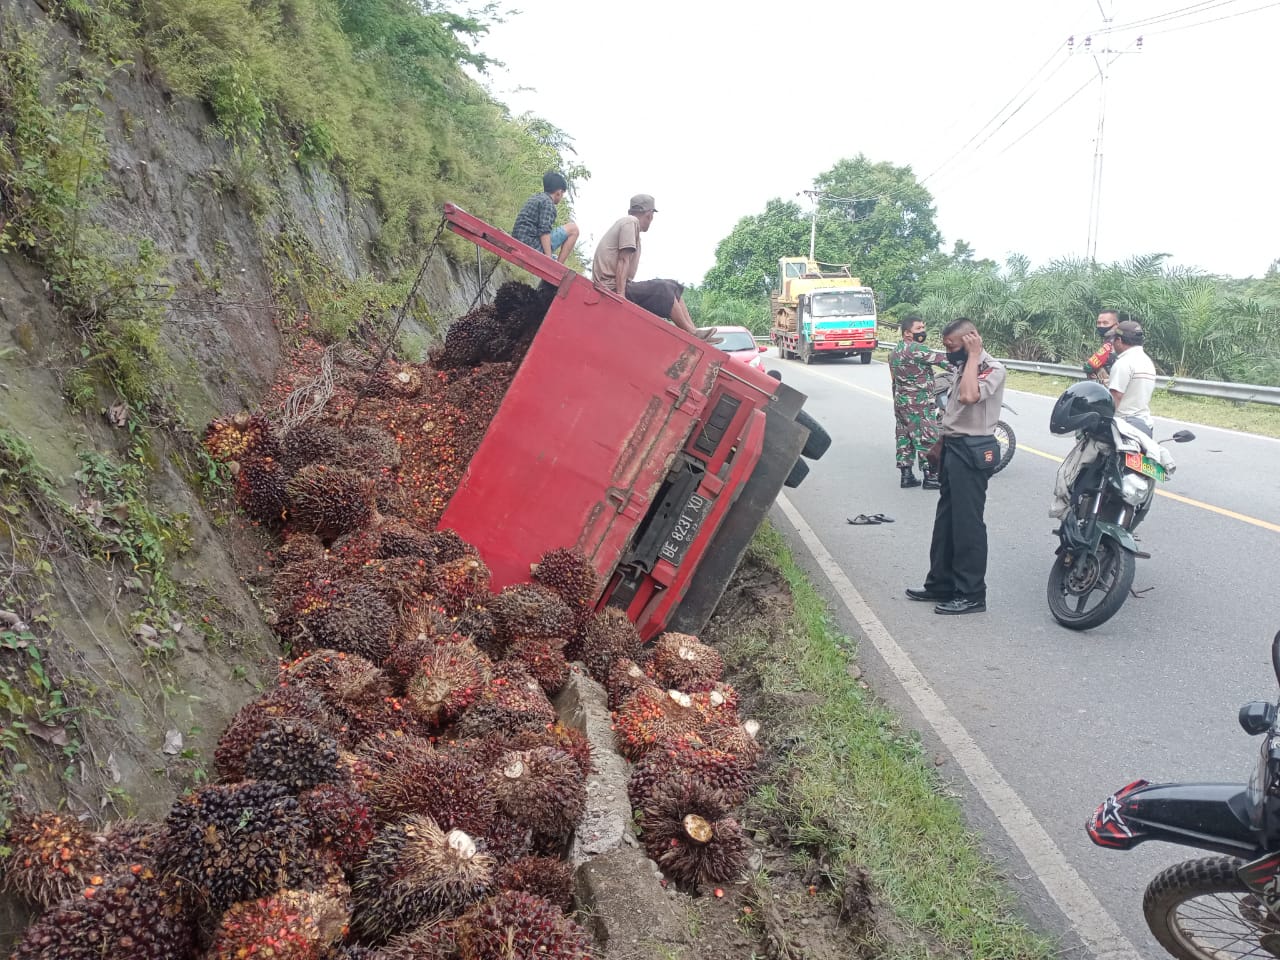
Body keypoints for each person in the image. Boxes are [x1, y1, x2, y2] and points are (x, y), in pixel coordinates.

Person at [906, 318, 1006, 616]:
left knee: (967, 524)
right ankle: (941, 583)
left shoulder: (990, 367)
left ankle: (972, 593)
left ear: (971, 340)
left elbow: (968, 397)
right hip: (953, 445)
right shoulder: (963, 367)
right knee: (946, 521)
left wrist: (974, 356)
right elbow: (953, 411)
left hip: (974, 448)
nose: (947, 351)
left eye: (952, 346)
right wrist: (939, 443)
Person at [592, 194, 718, 341]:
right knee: (662, 287)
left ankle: (694, 332)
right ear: (649, 214)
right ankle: (691, 332)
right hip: (611, 287)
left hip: (617, 285)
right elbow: (623, 259)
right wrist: (620, 296)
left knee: (673, 285)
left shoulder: (629, 224)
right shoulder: (630, 223)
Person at [889, 315, 947, 489]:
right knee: (928, 436)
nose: (923, 331)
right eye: (919, 329)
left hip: (901, 401)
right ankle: (930, 477)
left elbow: (893, 379)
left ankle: (906, 475)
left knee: (904, 437)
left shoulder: (894, 351)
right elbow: (943, 361)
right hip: (918, 402)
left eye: (923, 328)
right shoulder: (916, 349)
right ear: (907, 333)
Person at [511, 171, 580, 264]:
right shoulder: (548, 203)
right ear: (559, 192)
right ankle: (557, 267)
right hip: (531, 244)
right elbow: (544, 231)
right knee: (573, 229)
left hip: (520, 239)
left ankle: (555, 262)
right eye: (562, 194)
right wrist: (548, 258)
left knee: (554, 257)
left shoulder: (537, 197)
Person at [1108, 320, 1156, 436]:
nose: (1112, 343)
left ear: (1119, 340)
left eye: (1113, 340)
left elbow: (1116, 396)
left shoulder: (1124, 363)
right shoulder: (1147, 362)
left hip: (1123, 426)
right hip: (1145, 425)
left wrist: (1104, 420)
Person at [1083, 309, 1122, 385]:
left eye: (1105, 323)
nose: (1101, 326)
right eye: (1099, 323)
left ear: (1116, 325)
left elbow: (1089, 366)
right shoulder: (1124, 336)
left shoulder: (1111, 342)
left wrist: (1097, 368)